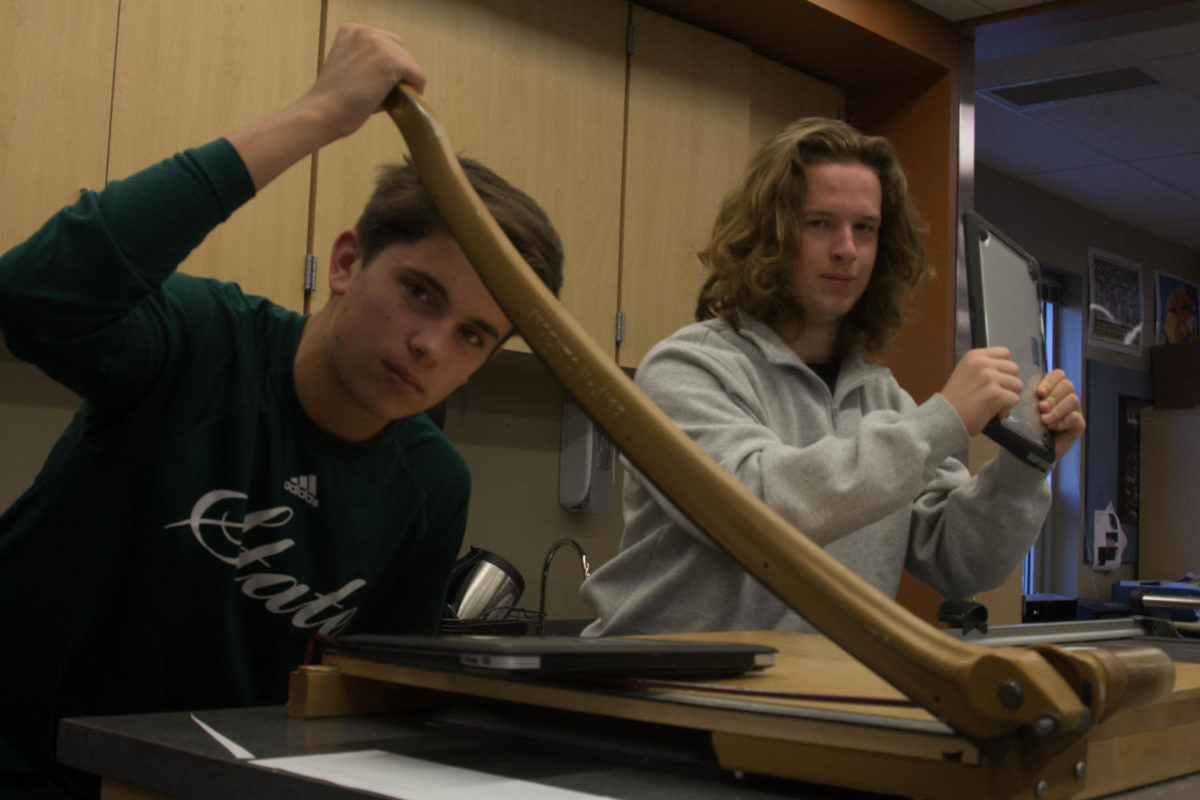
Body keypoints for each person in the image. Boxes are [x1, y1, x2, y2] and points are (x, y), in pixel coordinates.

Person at [0, 23, 562, 800]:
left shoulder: (431, 484)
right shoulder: (197, 339)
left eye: (472, 335)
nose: (431, 345)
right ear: (344, 263)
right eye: (419, 292)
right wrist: (323, 111)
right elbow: (33, 297)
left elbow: (377, 705)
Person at [581, 117, 1084, 637]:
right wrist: (943, 421)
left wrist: (1025, 465)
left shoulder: (883, 398)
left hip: (813, 698)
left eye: (864, 228)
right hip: (671, 695)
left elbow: (963, 564)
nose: (847, 248)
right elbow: (750, 512)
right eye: (820, 223)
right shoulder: (687, 369)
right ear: (769, 235)